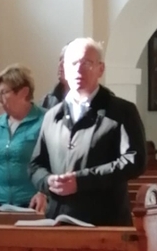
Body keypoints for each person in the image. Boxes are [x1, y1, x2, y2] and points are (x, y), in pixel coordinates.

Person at [29, 37, 147, 226]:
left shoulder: (121, 111)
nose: (78, 69)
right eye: (73, 63)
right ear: (64, 69)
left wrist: (82, 181)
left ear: (101, 69)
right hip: (59, 219)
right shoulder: (52, 115)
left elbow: (134, 161)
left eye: (87, 63)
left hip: (105, 221)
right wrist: (48, 181)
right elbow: (35, 165)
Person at [0, 64, 46, 211]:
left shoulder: (45, 120)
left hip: (33, 206)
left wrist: (43, 193)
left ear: (24, 92)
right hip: (0, 207)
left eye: (4, 93)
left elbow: (56, 166)